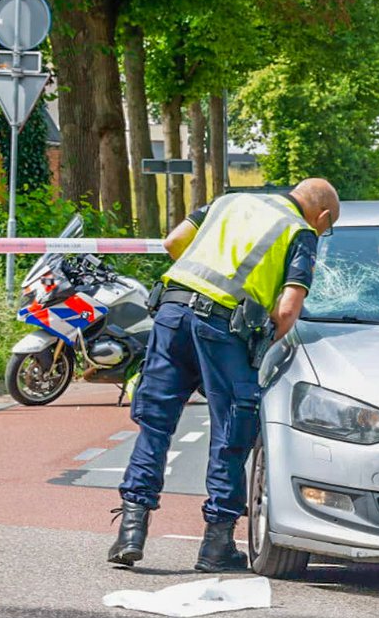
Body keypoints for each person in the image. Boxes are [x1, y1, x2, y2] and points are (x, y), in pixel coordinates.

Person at [108, 178, 341, 572]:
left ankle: (131, 531)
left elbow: (173, 242)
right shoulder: (300, 231)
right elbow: (287, 310)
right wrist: (260, 343)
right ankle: (216, 546)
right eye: (327, 226)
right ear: (320, 216)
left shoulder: (230, 201)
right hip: (223, 328)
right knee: (232, 432)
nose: (323, 231)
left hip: (171, 312)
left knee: (155, 424)